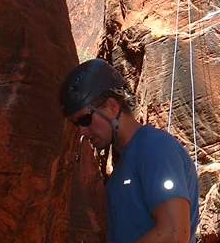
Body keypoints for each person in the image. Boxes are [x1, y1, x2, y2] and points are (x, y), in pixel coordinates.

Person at [60, 59, 199, 243]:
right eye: (75, 124)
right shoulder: (120, 172)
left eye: (85, 119)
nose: (82, 131)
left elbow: (174, 234)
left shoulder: (155, 148)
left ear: (112, 106)